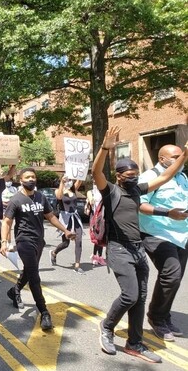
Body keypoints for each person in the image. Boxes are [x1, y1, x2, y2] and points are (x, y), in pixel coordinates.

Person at [92, 126, 187, 363]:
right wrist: (105, 148)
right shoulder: (111, 191)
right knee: (130, 295)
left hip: (137, 250)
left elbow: (164, 176)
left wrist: (185, 153)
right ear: (118, 175)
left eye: (135, 173)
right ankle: (107, 325)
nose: (133, 177)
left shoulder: (137, 190)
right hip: (118, 249)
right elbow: (96, 172)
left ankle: (135, 343)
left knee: (140, 298)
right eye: (128, 174)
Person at [1, 168, 75, 330]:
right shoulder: (16, 200)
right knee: (34, 276)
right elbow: (7, 222)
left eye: (33, 177)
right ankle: (44, 311)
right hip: (24, 241)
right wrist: (4, 242)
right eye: (27, 177)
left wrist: (66, 231)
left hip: (39, 241)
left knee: (29, 270)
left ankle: (15, 290)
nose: (31, 179)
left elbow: (50, 216)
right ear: (21, 180)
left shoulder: (40, 197)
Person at [138, 144, 188, 342]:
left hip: (181, 234)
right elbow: (139, 204)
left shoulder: (182, 177)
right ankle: (156, 317)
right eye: (176, 157)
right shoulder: (149, 177)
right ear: (162, 160)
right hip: (155, 232)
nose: (181, 160)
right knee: (171, 274)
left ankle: (164, 315)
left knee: (175, 279)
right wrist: (167, 213)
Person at [49, 177, 85, 273]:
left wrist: (80, 171)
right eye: (67, 180)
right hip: (65, 219)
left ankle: (77, 265)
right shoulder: (58, 190)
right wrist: (62, 182)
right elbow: (59, 197)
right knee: (66, 243)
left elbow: (80, 180)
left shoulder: (73, 189)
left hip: (75, 218)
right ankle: (54, 252)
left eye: (70, 180)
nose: (69, 181)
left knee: (79, 240)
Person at [86, 181, 106, 266]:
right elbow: (91, 202)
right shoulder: (90, 192)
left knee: (101, 236)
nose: (96, 183)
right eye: (94, 182)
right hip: (94, 216)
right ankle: (94, 256)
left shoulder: (103, 191)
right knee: (96, 237)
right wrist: (92, 198)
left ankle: (100, 257)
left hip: (102, 216)